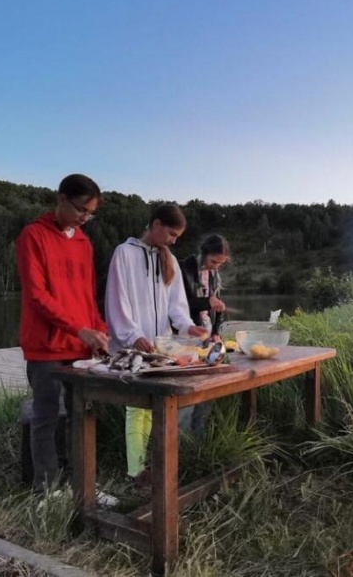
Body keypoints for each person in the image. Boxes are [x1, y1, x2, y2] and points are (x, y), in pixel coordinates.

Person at [15, 174, 111, 497]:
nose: (85, 218)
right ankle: (47, 492)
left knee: (82, 417)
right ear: (61, 199)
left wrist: (99, 330)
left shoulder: (84, 242)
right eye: (81, 209)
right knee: (47, 417)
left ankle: (83, 487)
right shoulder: (33, 236)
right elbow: (38, 296)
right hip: (46, 347)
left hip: (80, 346)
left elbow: (88, 295)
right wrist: (79, 329)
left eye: (90, 213)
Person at [104, 203, 208, 490]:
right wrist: (130, 334)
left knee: (151, 407)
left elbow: (177, 306)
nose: (174, 240)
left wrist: (188, 327)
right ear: (156, 224)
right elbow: (116, 298)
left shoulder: (170, 260)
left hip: (159, 347)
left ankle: (146, 465)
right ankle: (136, 471)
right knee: (135, 408)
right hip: (132, 346)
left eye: (177, 236)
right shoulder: (124, 253)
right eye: (172, 233)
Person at [178, 234, 230, 432]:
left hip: (209, 340)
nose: (216, 266)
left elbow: (218, 310)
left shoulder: (215, 275)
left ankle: (199, 440)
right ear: (204, 253)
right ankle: (181, 441)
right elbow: (177, 307)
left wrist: (217, 332)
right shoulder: (184, 269)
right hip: (186, 340)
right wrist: (205, 302)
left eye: (221, 264)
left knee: (207, 391)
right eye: (213, 261)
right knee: (186, 393)